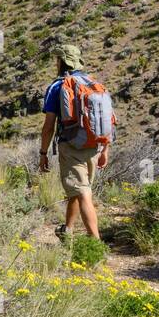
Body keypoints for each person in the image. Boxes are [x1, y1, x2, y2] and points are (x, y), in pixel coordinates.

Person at [39, 43, 109, 240]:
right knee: (78, 190)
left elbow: (48, 127)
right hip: (94, 146)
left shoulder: (57, 86)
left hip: (71, 146)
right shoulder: (93, 84)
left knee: (82, 193)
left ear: (62, 62)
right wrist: (105, 150)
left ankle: (95, 243)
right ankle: (67, 230)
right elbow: (107, 119)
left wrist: (43, 154)